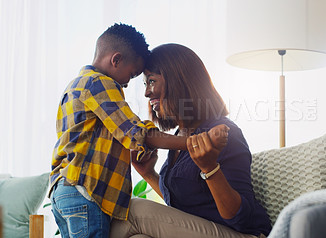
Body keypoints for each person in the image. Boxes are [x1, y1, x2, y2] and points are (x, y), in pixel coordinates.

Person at [49, 24, 228, 238]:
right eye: (134, 76)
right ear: (116, 60)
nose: (129, 85)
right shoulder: (101, 84)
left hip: (62, 190)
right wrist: (199, 141)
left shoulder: (74, 87)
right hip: (84, 190)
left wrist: (148, 171)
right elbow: (134, 132)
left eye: (149, 81)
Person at [110, 43, 272, 238]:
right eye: (146, 84)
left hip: (244, 234)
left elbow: (240, 217)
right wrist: (149, 174)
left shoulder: (222, 133)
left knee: (132, 211)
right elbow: (185, 209)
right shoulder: (180, 136)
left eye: (152, 81)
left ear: (178, 80)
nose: (147, 92)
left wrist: (210, 168)